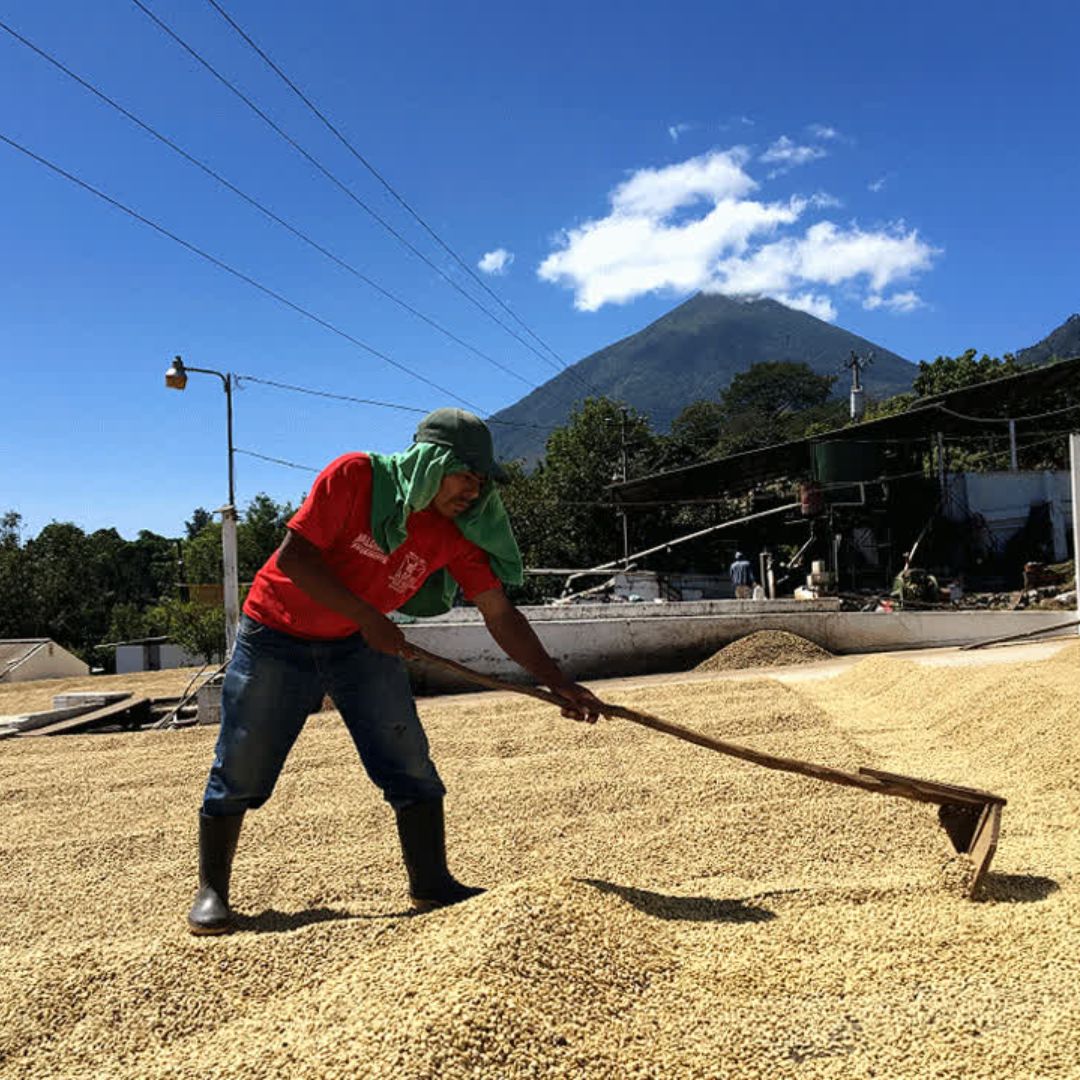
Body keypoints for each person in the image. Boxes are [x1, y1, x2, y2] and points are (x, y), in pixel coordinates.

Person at [187, 408, 602, 935]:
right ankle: (212, 891)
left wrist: (556, 681)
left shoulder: (458, 530)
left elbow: (499, 612)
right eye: (465, 475)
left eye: (481, 481)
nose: (474, 491)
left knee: (406, 756)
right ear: (430, 462)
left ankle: (431, 882)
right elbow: (294, 559)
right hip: (277, 634)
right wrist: (367, 617)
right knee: (244, 759)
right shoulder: (356, 477)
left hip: (359, 644)